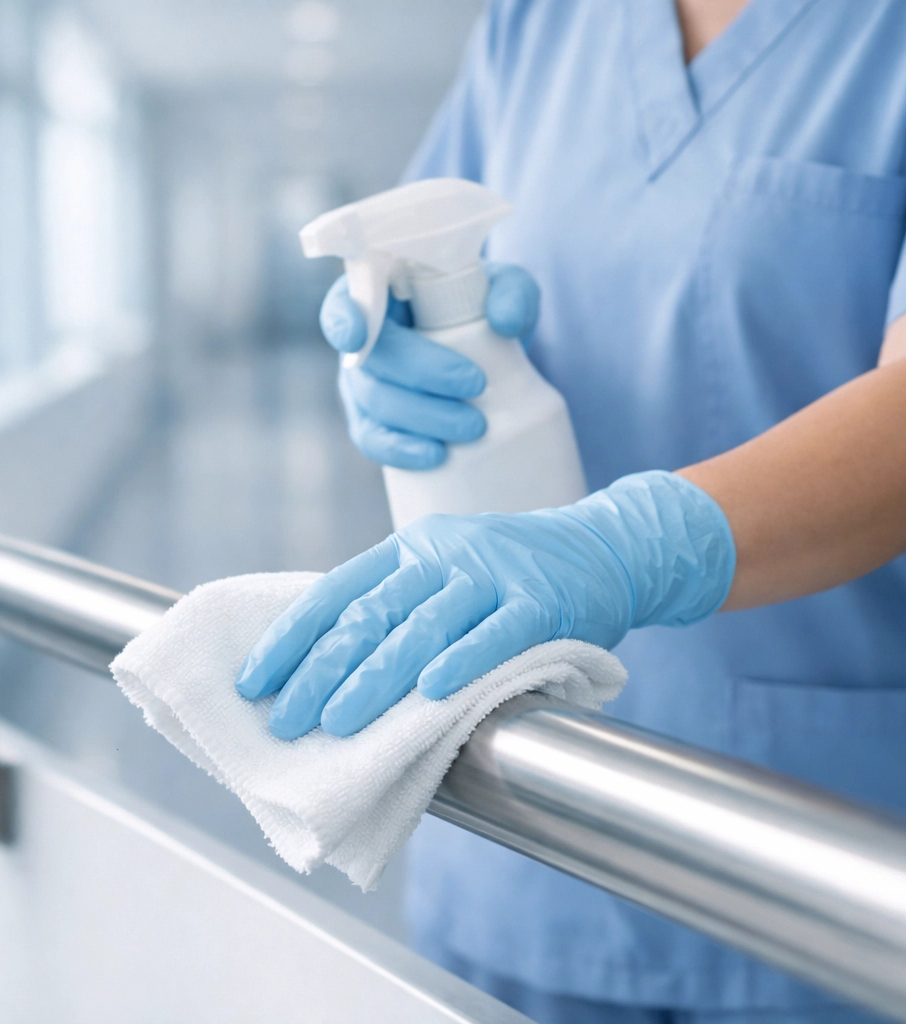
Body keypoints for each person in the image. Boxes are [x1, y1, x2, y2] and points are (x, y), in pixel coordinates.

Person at [237, 1, 906, 1020]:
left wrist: (638, 547)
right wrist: (389, 342)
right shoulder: (536, 24)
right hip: (516, 834)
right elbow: (420, 249)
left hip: (817, 856)